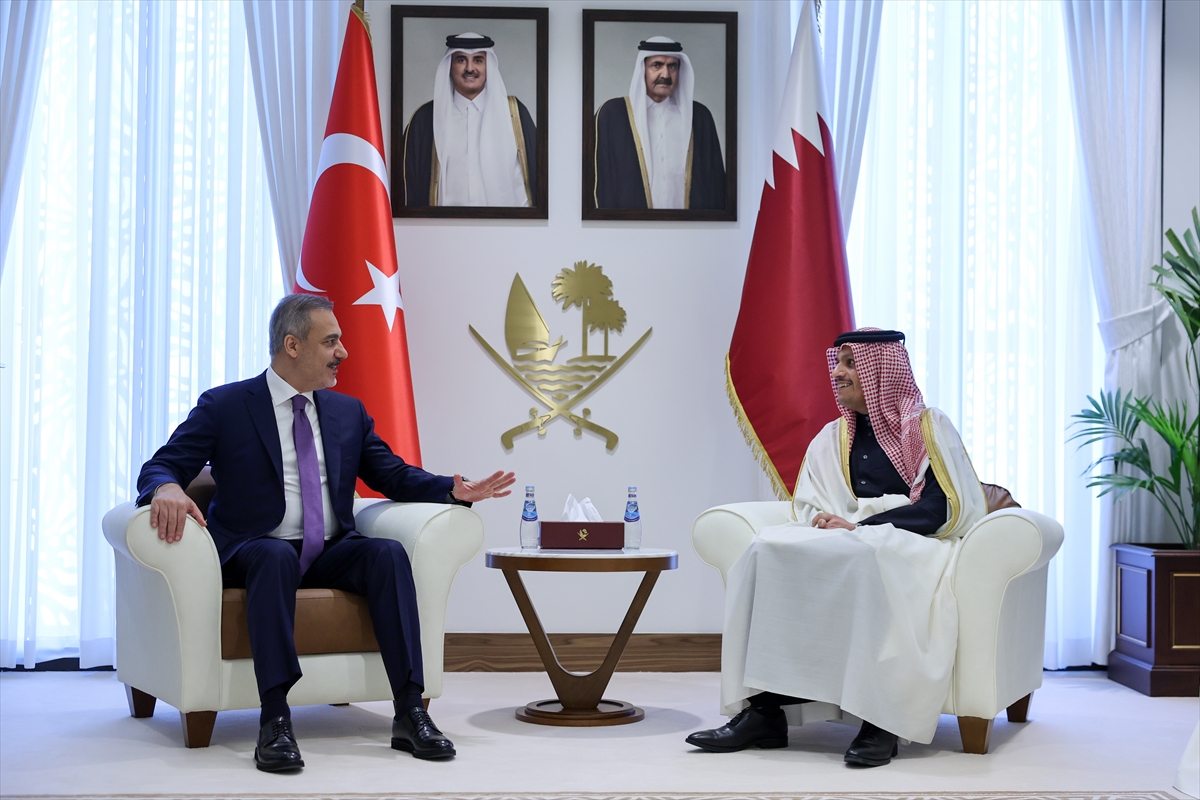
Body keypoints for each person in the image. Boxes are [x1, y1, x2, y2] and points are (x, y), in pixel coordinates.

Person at [137, 294, 516, 772]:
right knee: (274, 555)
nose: (343, 352)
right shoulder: (226, 406)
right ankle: (275, 720)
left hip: (330, 549)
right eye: (331, 341)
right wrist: (168, 487)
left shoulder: (346, 412)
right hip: (254, 549)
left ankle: (409, 711)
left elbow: (391, 474)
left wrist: (452, 490)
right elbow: (161, 465)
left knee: (387, 554)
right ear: (292, 345)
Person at [686, 328, 988, 767]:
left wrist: (862, 524)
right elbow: (811, 503)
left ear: (880, 370)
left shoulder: (926, 427)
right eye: (838, 362)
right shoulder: (833, 436)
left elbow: (941, 508)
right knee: (764, 547)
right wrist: (832, 523)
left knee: (865, 554)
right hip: (849, 536)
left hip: (914, 542)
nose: (837, 372)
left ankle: (881, 721)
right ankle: (764, 711)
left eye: (850, 363)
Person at [402, 33, 537, 207]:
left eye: (478, 60)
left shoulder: (515, 114)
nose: (470, 68)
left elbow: (535, 178)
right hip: (442, 223)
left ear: (489, 66)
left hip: (504, 222)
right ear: (450, 66)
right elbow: (410, 187)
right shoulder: (426, 118)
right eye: (461, 60)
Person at [594, 36, 725, 210]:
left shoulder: (700, 117)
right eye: (657, 65)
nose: (665, 74)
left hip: (688, 224)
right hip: (630, 224)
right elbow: (599, 181)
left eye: (672, 66)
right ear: (643, 69)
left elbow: (715, 184)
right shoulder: (612, 114)